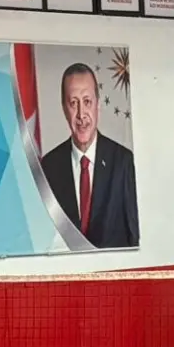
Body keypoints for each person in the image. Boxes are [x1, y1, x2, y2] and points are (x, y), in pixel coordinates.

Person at [39, 63, 140, 249]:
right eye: (73, 103)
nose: (81, 114)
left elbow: (134, 241)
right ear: (64, 108)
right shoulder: (49, 167)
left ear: (98, 105)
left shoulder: (123, 162)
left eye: (87, 102)